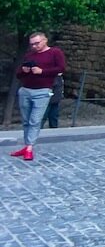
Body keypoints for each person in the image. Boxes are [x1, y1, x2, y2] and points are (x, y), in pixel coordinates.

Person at [10, 31, 67, 162]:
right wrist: (23, 70)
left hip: (42, 91)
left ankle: (29, 147)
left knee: (35, 120)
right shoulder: (29, 55)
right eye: (32, 44)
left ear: (45, 40)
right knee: (26, 120)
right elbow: (18, 74)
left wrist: (42, 71)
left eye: (37, 43)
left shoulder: (54, 52)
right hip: (25, 90)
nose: (34, 46)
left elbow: (61, 68)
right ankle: (26, 145)